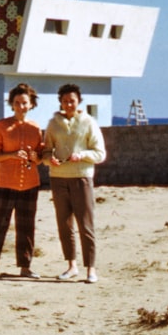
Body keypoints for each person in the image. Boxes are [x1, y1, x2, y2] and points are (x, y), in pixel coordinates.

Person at [43, 84, 106, 283]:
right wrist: (48, 160)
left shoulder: (89, 122)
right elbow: (46, 150)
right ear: (60, 102)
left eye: (72, 100)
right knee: (64, 224)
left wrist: (82, 155)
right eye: (65, 101)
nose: (69, 104)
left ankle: (91, 269)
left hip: (82, 177)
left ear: (79, 101)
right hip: (58, 178)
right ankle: (71, 266)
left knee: (85, 224)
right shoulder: (53, 124)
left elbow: (100, 154)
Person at [0, 83, 44, 280]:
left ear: (31, 104)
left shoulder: (36, 128)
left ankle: (25, 267)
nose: (21, 106)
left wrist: (36, 157)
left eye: (25, 103)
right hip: (4, 184)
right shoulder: (2, 125)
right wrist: (10, 155)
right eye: (17, 103)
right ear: (12, 104)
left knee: (26, 227)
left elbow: (41, 156)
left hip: (30, 185)